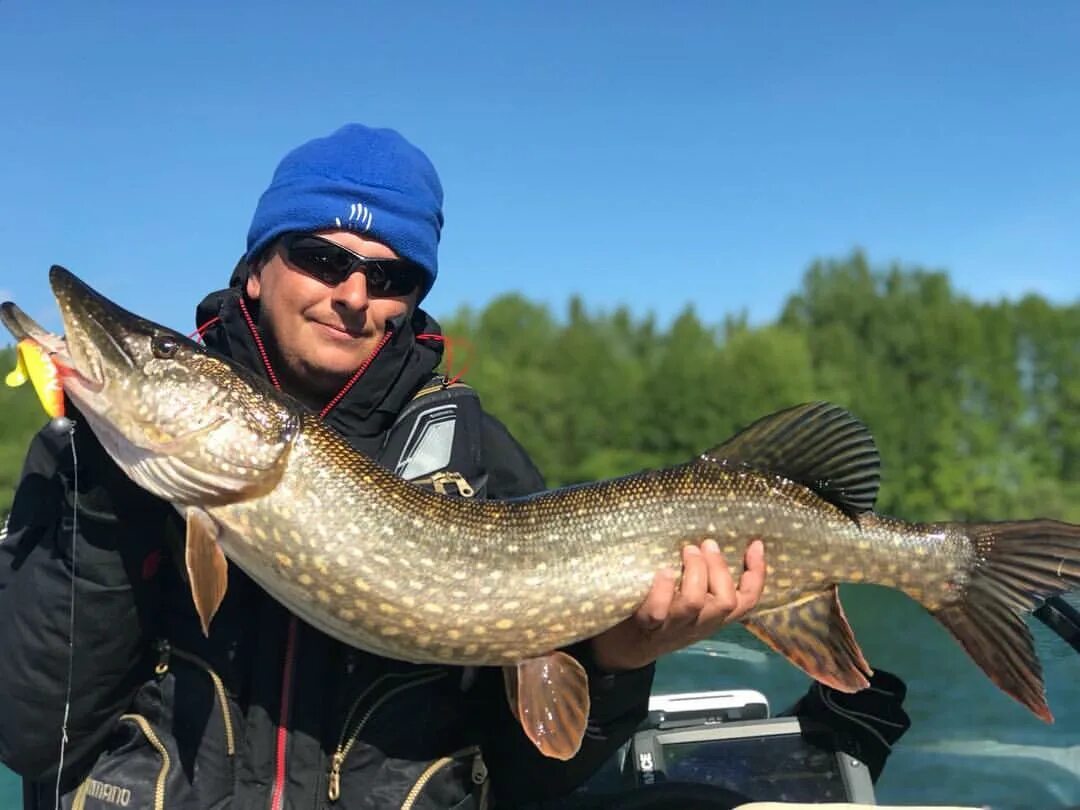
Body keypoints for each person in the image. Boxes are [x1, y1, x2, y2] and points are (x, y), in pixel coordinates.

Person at [0, 123, 772, 809]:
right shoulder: (87, 464)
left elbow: (535, 780)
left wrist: (615, 662)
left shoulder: (480, 463)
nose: (354, 294)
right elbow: (29, 737)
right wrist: (97, 493)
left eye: (391, 276)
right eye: (320, 256)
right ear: (257, 269)